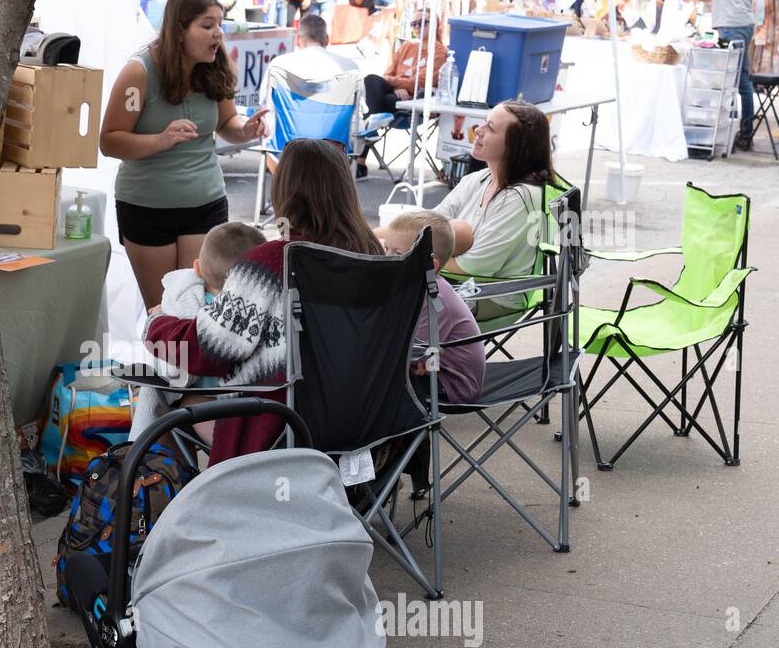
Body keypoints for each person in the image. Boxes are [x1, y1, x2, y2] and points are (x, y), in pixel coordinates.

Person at [145, 138, 382, 465]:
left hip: (278, 429)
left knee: (162, 383)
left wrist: (157, 325)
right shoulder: (375, 257)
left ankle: (176, 503)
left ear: (285, 190)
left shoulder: (272, 262)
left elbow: (212, 349)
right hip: (366, 426)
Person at [101, 0, 268, 310]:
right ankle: (164, 362)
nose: (218, 33)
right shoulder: (139, 72)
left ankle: (192, 364)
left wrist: (245, 130)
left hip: (205, 202)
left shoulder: (214, 67)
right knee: (164, 310)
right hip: (147, 207)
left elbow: (228, 123)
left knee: (201, 306)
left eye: (220, 24)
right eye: (207, 25)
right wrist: (160, 140)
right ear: (179, 30)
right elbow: (109, 141)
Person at [130, 221, 266, 441]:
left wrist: (158, 319)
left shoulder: (188, 303)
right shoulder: (264, 307)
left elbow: (172, 365)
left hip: (206, 401)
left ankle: (158, 465)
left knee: (166, 399)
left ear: (197, 268)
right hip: (259, 403)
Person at [429, 101, 555, 322]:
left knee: (392, 303)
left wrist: (414, 259)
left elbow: (471, 266)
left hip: (492, 296)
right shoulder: (480, 179)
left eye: (490, 127)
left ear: (514, 147)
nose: (478, 129)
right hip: (456, 285)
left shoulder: (522, 199)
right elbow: (431, 222)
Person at [381, 210, 485, 404]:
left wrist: (414, 361)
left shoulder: (436, 298)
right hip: (433, 368)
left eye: (396, 253)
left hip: (453, 383)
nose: (387, 258)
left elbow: (415, 352)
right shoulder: (416, 287)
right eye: (386, 249)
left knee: (376, 383)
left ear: (431, 264)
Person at [668, 0, 756, 150]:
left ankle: (744, 133)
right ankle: (740, 132)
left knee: (733, 80)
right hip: (739, 22)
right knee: (735, 79)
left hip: (733, 24)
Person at [259, 13, 359, 173]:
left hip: (286, 153)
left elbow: (264, 105)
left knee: (267, 134)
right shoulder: (349, 67)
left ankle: (283, 193)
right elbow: (358, 113)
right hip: (334, 153)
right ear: (326, 39)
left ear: (298, 39)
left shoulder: (280, 65)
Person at [355, 10, 448, 177]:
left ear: (435, 25)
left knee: (380, 104)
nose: (418, 27)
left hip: (414, 102)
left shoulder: (440, 51)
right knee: (371, 80)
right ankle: (374, 125)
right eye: (414, 23)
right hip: (392, 98)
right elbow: (386, 74)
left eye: (423, 22)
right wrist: (399, 85)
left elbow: (422, 81)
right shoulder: (406, 46)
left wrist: (398, 84)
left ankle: (366, 143)